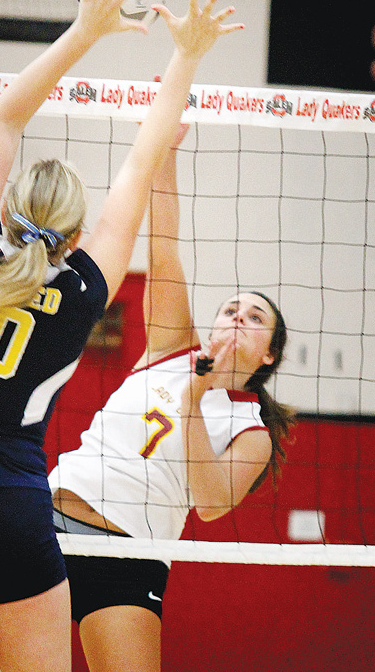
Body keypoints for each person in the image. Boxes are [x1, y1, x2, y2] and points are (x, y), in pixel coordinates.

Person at [0, 0, 244, 672]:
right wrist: (187, 55)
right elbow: (141, 164)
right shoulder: (82, 290)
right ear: (73, 237)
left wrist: (85, 28)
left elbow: (6, 117)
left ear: (7, 205)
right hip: (17, 515)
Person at [49, 122, 295, 672]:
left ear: (269, 355)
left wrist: (194, 403)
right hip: (50, 522)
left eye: (254, 318)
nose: (237, 318)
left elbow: (209, 504)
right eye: (231, 308)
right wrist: (163, 146)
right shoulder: (169, 346)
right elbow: (163, 247)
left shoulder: (250, 430)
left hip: (128, 555)